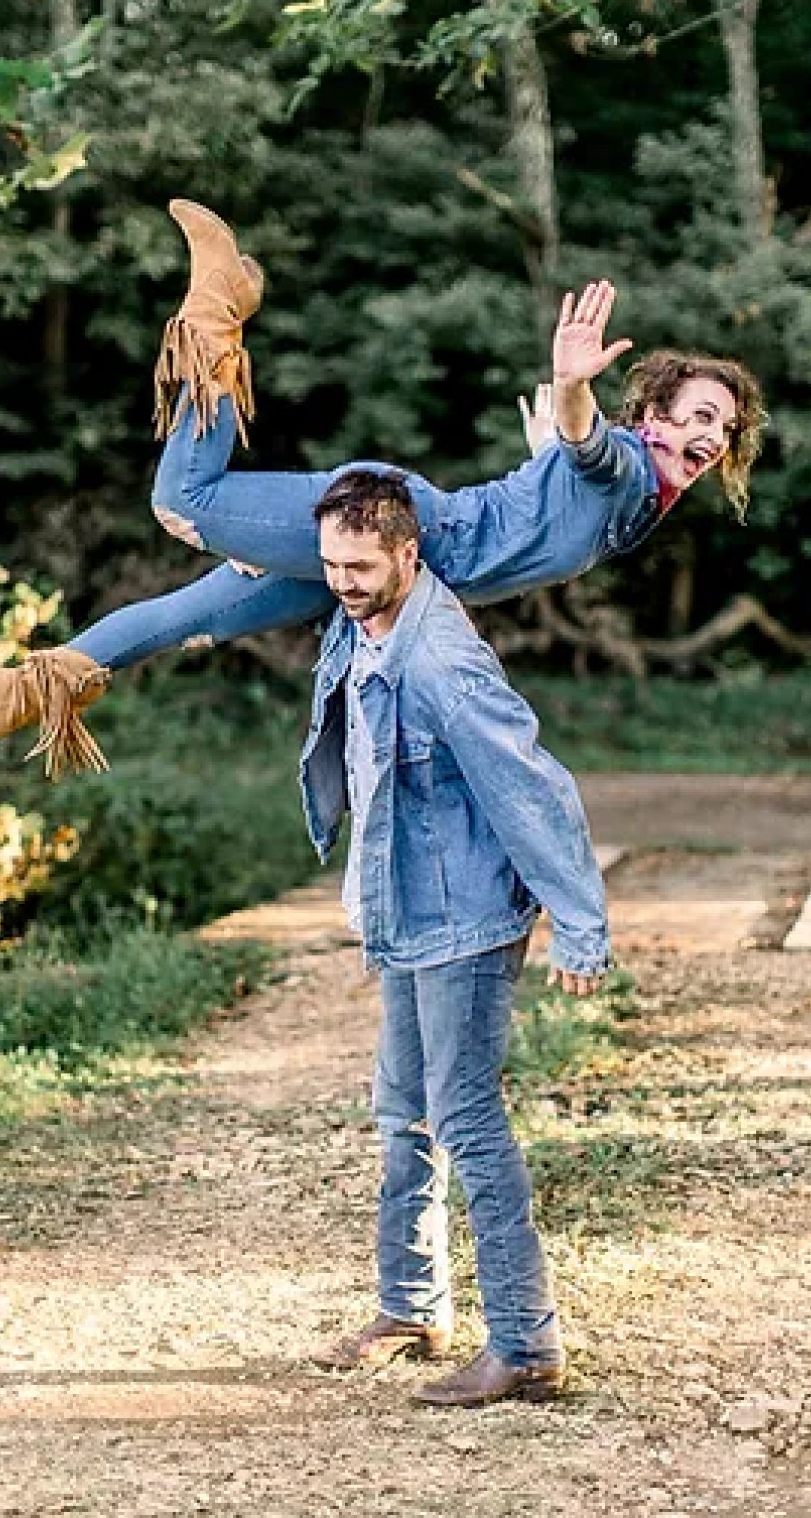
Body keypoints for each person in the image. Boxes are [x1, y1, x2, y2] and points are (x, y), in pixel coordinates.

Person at [0, 201, 765, 785]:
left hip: (396, 569)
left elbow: (560, 482)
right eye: (699, 415)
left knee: (199, 616)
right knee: (185, 501)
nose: (712, 438)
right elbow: (593, 449)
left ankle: (20, 690)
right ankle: (217, 307)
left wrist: (544, 453)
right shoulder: (626, 463)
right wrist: (571, 392)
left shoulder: (641, 502)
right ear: (654, 415)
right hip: (390, 527)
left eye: (724, 430)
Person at [301, 466, 609, 1407]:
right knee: (403, 1110)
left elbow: (534, 786)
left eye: (360, 565)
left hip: (463, 918)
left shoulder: (442, 662)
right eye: (329, 566)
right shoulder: (362, 625)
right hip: (402, 903)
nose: (343, 582)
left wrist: (581, 926)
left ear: (408, 551)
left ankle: (524, 1343)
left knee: (466, 1118)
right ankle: (411, 1306)